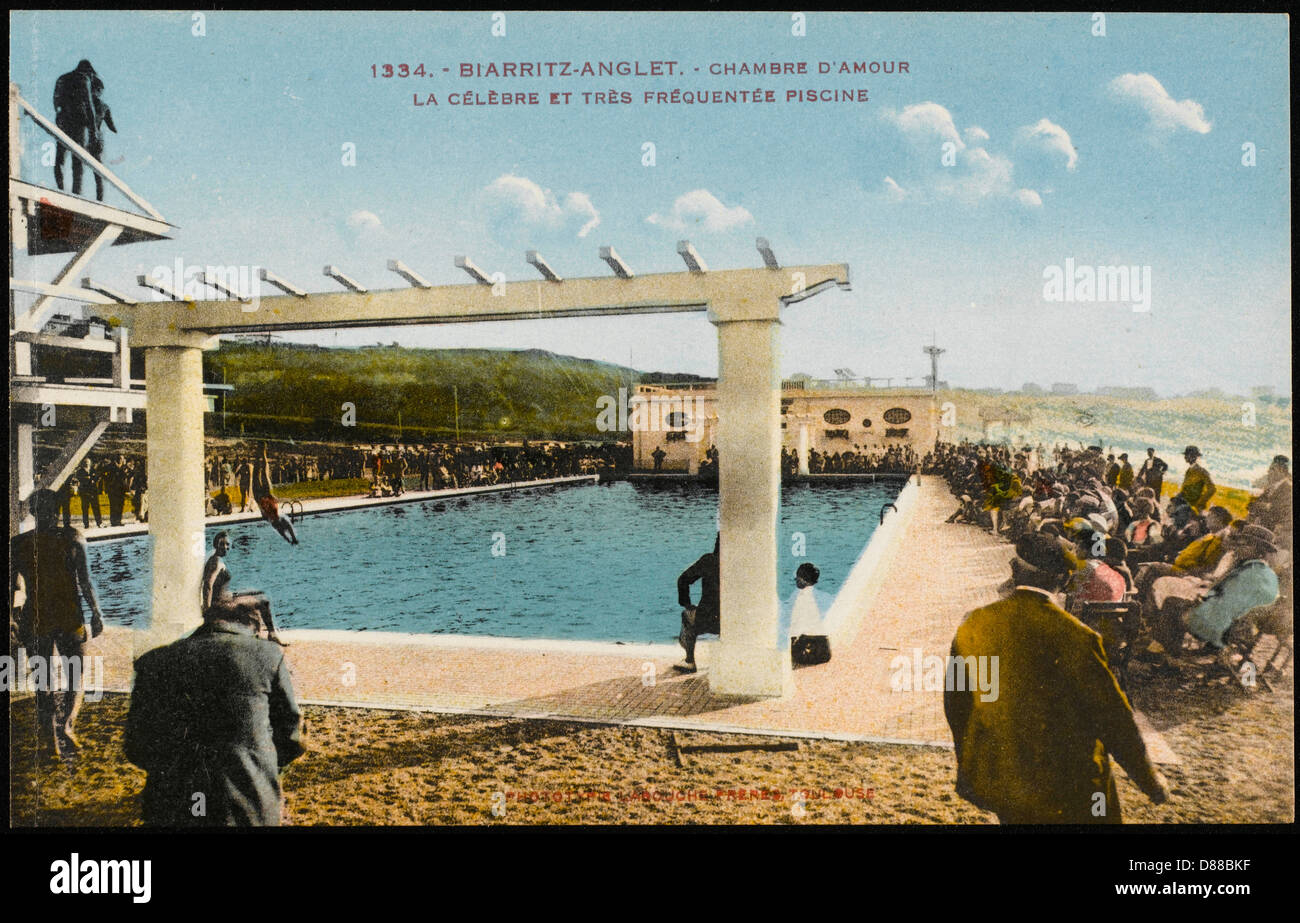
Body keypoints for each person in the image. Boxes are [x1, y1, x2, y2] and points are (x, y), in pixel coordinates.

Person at [944, 533, 1169, 823]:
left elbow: (957, 705)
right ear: (1064, 581)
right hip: (1073, 784)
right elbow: (1114, 718)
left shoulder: (974, 623)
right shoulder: (1078, 635)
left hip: (1009, 778)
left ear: (1013, 568)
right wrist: (1150, 781)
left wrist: (971, 767)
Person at [124, 596, 304, 825]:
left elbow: (136, 746)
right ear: (252, 626)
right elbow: (292, 736)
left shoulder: (153, 662)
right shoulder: (268, 656)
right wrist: (261, 765)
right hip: (246, 802)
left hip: (173, 805)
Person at [9, 489, 105, 756]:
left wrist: (9, 618)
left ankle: (51, 740)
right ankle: (67, 726)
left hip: (36, 615)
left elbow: (9, 585)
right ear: (58, 511)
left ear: (32, 512)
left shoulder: (18, 543)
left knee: (42, 681)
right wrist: (97, 613)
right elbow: (85, 581)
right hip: (68, 614)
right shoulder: (72, 537)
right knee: (77, 675)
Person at [202, 531, 286, 646]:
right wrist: (208, 610)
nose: (225, 547)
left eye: (227, 545)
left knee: (261, 593)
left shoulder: (216, 559)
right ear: (215, 545)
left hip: (228, 597)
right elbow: (208, 585)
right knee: (264, 601)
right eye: (222, 544)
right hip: (222, 604)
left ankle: (264, 632)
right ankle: (272, 634)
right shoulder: (216, 562)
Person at [53, 60, 116, 200]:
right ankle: (77, 194)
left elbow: (55, 102)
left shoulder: (62, 78)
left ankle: (61, 189)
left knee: (60, 157)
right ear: (90, 72)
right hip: (78, 121)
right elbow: (88, 106)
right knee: (78, 159)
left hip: (63, 119)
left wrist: (60, 117)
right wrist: (93, 130)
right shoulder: (84, 78)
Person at [675, 534, 720, 673]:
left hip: (707, 618)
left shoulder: (708, 560)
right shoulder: (743, 563)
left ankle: (689, 660)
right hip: (734, 620)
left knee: (687, 615)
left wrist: (687, 604)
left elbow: (682, 580)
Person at [253, 445, 298, 545]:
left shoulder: (277, 524)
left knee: (259, 474)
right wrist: (292, 540)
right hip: (265, 497)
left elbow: (286, 533)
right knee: (262, 473)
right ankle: (262, 452)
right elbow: (288, 530)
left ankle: (260, 453)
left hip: (262, 498)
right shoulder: (278, 522)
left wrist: (291, 540)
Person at [1177, 446, 1215, 514]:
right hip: (1185, 505)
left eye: (1187, 455)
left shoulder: (1202, 471)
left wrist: (1200, 502)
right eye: (1185, 455)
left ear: (1193, 456)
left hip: (1194, 509)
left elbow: (1212, 489)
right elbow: (1186, 488)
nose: (1185, 457)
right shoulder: (1188, 471)